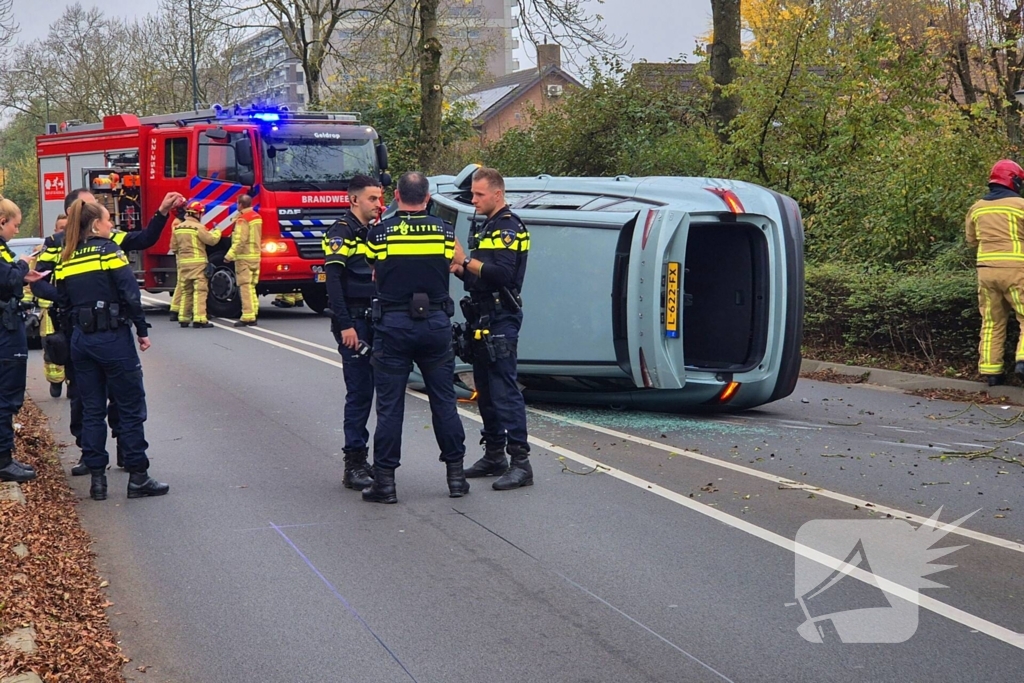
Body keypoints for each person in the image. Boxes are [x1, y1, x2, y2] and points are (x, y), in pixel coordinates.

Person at [36, 188, 184, 477]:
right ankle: (100, 460)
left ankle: (113, 463)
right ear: (77, 214)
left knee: (105, 403)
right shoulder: (58, 244)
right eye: (92, 208)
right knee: (87, 400)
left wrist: (162, 213)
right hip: (82, 330)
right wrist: (70, 303)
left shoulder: (105, 240)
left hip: (84, 335)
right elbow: (40, 281)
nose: (101, 216)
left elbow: (143, 239)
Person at [361, 171, 468, 503]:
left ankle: (386, 483)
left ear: (395, 194)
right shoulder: (444, 231)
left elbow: (372, 267)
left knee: (391, 407)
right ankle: (456, 477)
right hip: (435, 322)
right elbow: (458, 261)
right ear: (428, 197)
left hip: (393, 324)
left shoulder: (380, 233)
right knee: (444, 401)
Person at [451, 167, 533, 489]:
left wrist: (466, 260)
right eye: (473, 194)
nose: (474, 200)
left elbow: (501, 275)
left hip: (501, 318)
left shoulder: (509, 227)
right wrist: (459, 269)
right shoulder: (488, 226)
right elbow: (479, 278)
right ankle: (495, 453)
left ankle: (521, 462)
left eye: (479, 194)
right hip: (482, 317)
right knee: (484, 388)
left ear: (497, 194)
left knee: (504, 389)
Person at [322, 174, 382, 490]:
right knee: (359, 393)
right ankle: (354, 463)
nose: (378, 204)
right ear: (354, 199)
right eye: (372, 198)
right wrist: (345, 324)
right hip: (354, 324)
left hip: (375, 319)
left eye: (379, 198)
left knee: (375, 391)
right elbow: (333, 281)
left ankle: (367, 459)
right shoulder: (341, 232)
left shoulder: (370, 232)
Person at [966, 160, 1024, 386]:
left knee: (992, 322)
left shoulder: (977, 207)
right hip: (1017, 271)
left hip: (986, 273)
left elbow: (972, 240)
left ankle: (992, 373)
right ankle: (1022, 362)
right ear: (1014, 180)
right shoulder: (1020, 205)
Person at [0, 195, 40, 484]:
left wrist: (21, 275)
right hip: (5, 334)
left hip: (6, 328)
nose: (16, 231)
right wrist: (24, 266)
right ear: (2, 221)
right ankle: (3, 461)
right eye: (15, 225)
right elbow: (6, 280)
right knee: (6, 397)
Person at [172, 201, 221, 329]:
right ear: (198, 214)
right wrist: (217, 231)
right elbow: (211, 241)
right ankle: (199, 319)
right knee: (200, 291)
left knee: (186, 291)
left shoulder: (178, 228)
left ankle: (183, 318)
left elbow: (173, 247)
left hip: (183, 264)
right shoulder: (198, 228)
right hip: (198, 264)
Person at [35, 214, 68, 398]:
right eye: (60, 228)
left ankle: (71, 382)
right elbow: (34, 279)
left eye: (66, 228)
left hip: (69, 309)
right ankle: (55, 383)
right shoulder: (45, 250)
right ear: (55, 230)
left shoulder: (77, 248)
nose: (63, 231)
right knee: (52, 348)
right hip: (49, 312)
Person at [224, 195, 261, 327]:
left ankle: (247, 316)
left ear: (240, 204)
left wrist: (229, 255)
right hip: (255, 257)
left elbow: (240, 240)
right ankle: (253, 312)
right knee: (251, 287)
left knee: (245, 287)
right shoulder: (256, 217)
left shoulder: (243, 219)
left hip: (244, 257)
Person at [168, 206, 186, 322]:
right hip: (182, 256)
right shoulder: (177, 223)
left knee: (181, 283)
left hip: (182, 255)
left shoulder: (179, 222)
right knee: (183, 283)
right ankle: (176, 310)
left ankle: (175, 310)